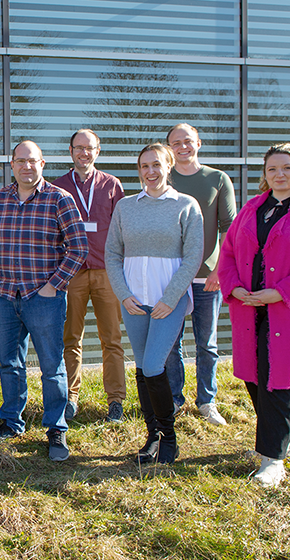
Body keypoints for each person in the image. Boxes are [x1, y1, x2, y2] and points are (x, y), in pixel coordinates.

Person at [217, 143, 290, 487]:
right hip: (250, 308)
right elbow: (227, 254)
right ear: (264, 175)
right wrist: (234, 286)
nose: (279, 174)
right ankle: (288, 436)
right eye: (272, 169)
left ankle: (273, 459)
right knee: (255, 376)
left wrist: (280, 292)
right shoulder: (252, 209)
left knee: (279, 379)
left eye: (286, 168)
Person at [0, 140, 87, 462]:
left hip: (43, 298)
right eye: (20, 161)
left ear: (42, 163)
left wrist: (54, 285)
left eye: (32, 161)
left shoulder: (59, 200)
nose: (26, 166)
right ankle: (12, 422)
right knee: (10, 363)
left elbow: (78, 248)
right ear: (12, 165)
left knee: (52, 367)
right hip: (5, 298)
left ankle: (56, 428)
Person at [105, 143, 203, 465]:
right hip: (134, 302)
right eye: (144, 166)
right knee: (142, 368)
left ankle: (169, 437)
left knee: (153, 366)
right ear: (139, 170)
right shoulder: (125, 207)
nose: (150, 172)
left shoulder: (186, 206)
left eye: (157, 165)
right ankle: (152, 437)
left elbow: (192, 258)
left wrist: (170, 298)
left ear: (169, 166)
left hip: (167, 302)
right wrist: (123, 294)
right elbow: (112, 254)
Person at [50, 129, 126, 423]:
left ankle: (116, 399)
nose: (84, 153)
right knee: (70, 338)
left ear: (98, 151)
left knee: (112, 339)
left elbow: (121, 229)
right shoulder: (58, 186)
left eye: (89, 148)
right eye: (78, 148)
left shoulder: (111, 184)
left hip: (107, 271)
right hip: (71, 272)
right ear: (70, 151)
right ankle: (70, 396)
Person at [164, 123, 237, 425]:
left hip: (207, 277)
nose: (182, 147)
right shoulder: (162, 178)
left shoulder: (217, 179)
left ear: (199, 143)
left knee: (206, 343)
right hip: (171, 276)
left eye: (188, 141)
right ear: (168, 147)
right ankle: (174, 400)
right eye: (175, 142)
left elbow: (229, 230)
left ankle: (207, 401)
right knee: (171, 342)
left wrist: (220, 270)